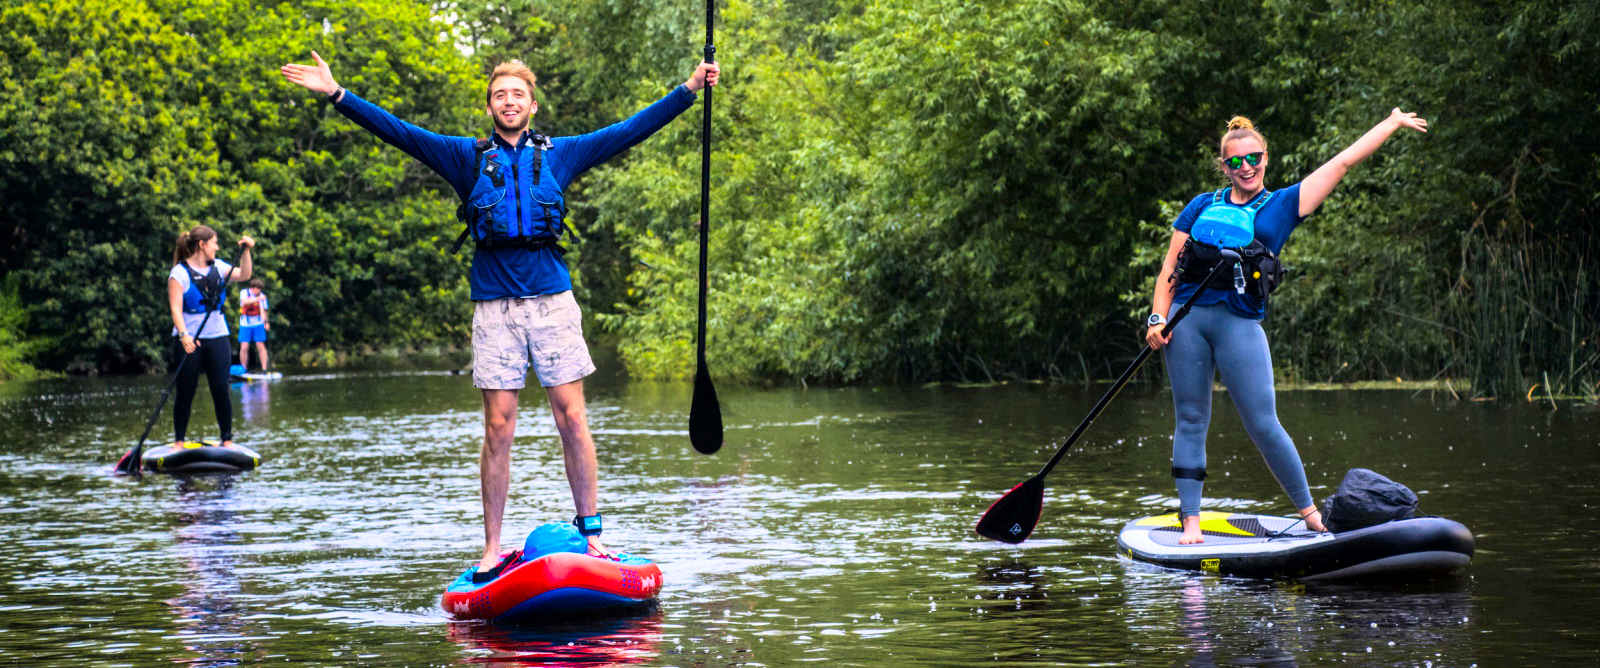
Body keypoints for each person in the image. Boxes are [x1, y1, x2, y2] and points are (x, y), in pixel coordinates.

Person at [280, 51, 720, 580]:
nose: (508, 102)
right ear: (489, 106)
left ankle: (593, 536)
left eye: (517, 95)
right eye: (499, 95)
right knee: (498, 428)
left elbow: (628, 131)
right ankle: (491, 548)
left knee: (572, 418)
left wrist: (690, 87)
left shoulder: (562, 154)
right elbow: (397, 131)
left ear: (532, 105)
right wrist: (336, 94)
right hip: (494, 307)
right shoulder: (464, 157)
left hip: (552, 302)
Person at [1145, 109, 1428, 544]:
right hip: (1186, 324)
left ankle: (1311, 514)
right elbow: (1170, 268)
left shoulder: (1283, 204)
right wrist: (1157, 318)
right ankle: (1191, 523)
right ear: (1224, 166)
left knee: (1263, 422)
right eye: (1236, 161)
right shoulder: (1201, 205)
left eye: (1253, 157)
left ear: (1265, 157)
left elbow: (1343, 162)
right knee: (1191, 418)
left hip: (1239, 325)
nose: (1246, 167)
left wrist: (1391, 123)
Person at [168, 225, 255, 449]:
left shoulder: (219, 266)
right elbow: (176, 309)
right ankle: (179, 441)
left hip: (217, 336)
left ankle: (226, 439)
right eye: (214, 242)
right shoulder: (179, 273)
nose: (217, 247)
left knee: (220, 388)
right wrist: (184, 335)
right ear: (202, 245)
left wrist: (246, 252)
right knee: (186, 390)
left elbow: (245, 275)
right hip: (190, 339)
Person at [238, 278, 271, 372]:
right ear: (252, 288)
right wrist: (257, 299)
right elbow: (244, 302)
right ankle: (243, 369)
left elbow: (264, 311)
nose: (258, 291)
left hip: (258, 324)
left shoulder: (262, 296)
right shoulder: (244, 292)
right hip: (245, 324)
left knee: (260, 345)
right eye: (257, 288)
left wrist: (266, 322)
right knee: (244, 347)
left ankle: (264, 369)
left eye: (260, 289)